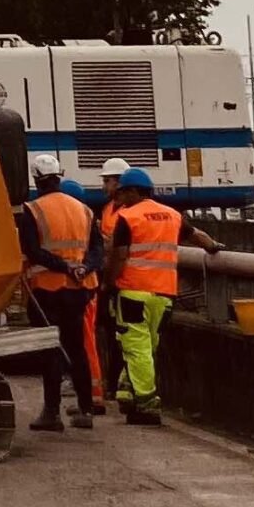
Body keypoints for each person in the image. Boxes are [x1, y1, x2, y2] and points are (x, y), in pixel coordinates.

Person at [99, 167, 223, 425]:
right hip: (165, 294)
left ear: (133, 191)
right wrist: (213, 247)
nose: (119, 197)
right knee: (148, 346)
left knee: (136, 348)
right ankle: (127, 390)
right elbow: (196, 236)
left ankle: (146, 403)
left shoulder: (128, 217)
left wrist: (108, 284)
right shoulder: (171, 214)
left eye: (122, 192)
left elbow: (119, 257)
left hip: (133, 291)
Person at [15, 157, 100, 431]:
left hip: (48, 290)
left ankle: (52, 413)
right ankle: (85, 411)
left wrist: (63, 266)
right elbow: (98, 251)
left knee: (51, 350)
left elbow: (31, 250)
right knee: (77, 348)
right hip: (79, 289)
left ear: (37, 179)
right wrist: (82, 268)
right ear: (58, 176)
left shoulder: (33, 209)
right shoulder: (84, 210)